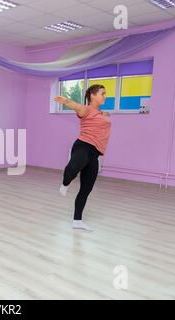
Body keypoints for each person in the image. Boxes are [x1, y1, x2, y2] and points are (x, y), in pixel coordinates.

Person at [54, 84, 112, 232]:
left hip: (95, 153)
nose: (105, 96)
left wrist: (105, 115)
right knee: (73, 168)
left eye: (105, 94)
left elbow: (104, 120)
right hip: (83, 146)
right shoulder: (86, 110)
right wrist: (65, 101)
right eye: (102, 94)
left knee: (86, 188)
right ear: (93, 95)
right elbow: (75, 106)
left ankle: (77, 221)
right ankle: (65, 183)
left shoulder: (102, 113)